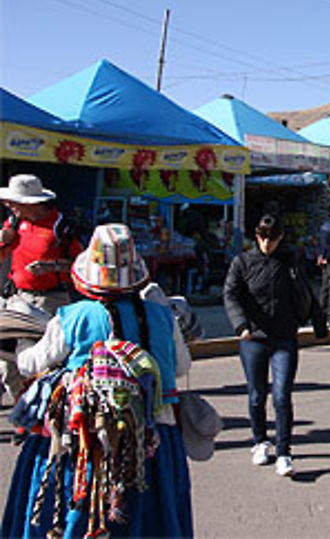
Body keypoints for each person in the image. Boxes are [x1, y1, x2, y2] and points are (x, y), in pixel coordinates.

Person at [2, 223, 193, 537]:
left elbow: (29, 364)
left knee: (76, 507)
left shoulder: (73, 317)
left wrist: (19, 341)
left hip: (88, 435)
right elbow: (181, 367)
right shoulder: (162, 316)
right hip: (154, 433)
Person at [224, 214, 327, 478]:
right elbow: (230, 294)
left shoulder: (290, 262)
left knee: (282, 396)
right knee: (257, 395)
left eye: (272, 238)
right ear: (255, 236)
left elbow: (306, 293)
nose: (266, 243)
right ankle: (260, 441)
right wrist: (240, 325)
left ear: (280, 237)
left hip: (284, 337)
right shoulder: (243, 262)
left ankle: (284, 452)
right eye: (261, 237)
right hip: (253, 339)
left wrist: (319, 324)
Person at [0, 174, 84, 405]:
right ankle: (23, 409)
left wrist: (52, 266)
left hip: (51, 300)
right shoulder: (14, 223)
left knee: (45, 361)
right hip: (17, 297)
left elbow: (82, 264)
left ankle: (43, 412)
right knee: (7, 364)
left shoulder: (61, 227)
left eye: (13, 202)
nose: (8, 206)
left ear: (30, 203)